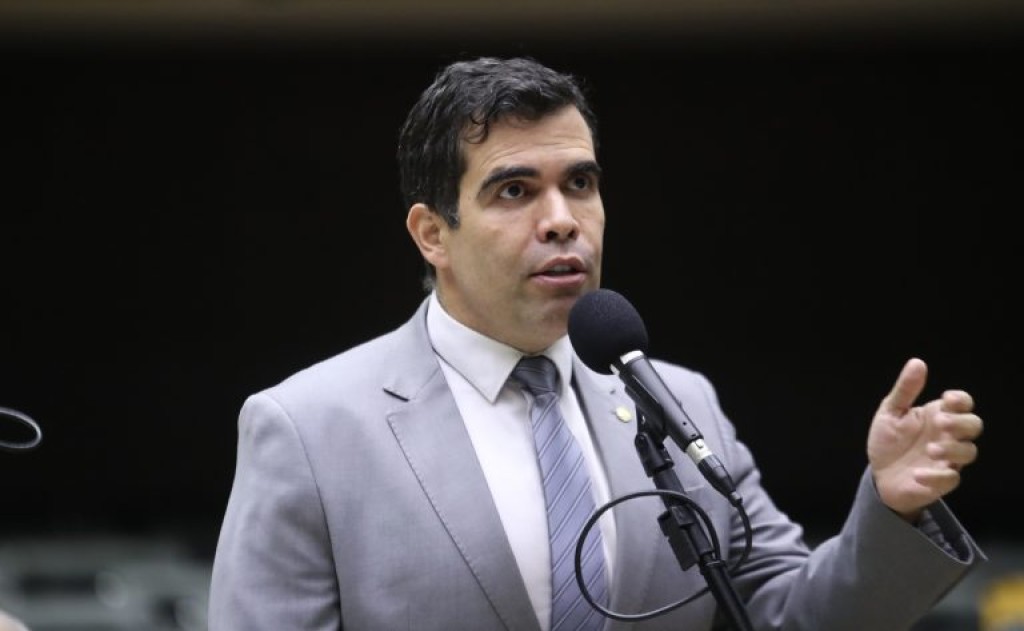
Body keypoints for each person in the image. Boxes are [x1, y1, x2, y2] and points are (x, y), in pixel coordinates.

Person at [208, 55, 985, 630]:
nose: (561, 219)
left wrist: (891, 508)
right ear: (432, 233)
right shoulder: (309, 428)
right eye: (515, 190)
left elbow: (790, 615)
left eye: (579, 183)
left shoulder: (679, 402)